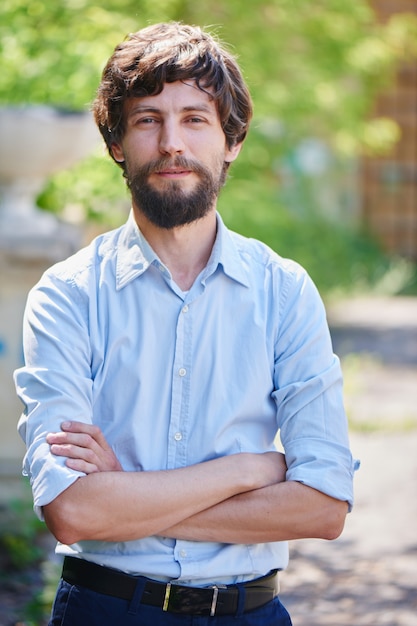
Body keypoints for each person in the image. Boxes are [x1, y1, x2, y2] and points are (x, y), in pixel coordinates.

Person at [15, 22, 357, 626]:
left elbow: (323, 507)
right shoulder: (66, 295)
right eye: (148, 119)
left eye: (195, 118)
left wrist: (126, 498)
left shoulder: (283, 292)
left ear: (232, 141)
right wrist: (248, 471)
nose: (172, 142)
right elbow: (72, 513)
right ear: (117, 143)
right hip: (105, 611)